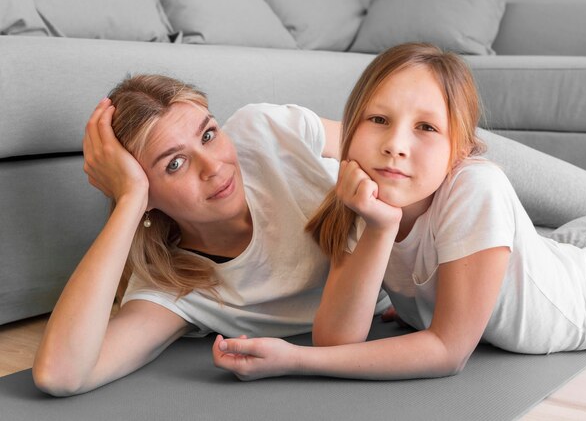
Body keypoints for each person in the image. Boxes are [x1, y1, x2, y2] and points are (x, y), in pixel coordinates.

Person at [213, 43, 586, 381]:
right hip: (563, 248)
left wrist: (294, 360)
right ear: (350, 129)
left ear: (459, 150)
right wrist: (380, 227)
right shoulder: (362, 198)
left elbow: (448, 352)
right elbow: (337, 339)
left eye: (426, 128)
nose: (395, 144)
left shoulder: (475, 187)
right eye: (378, 119)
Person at [32, 74, 390, 396]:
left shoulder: (264, 129)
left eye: (208, 135)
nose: (213, 167)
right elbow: (60, 375)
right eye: (175, 163)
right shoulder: (174, 289)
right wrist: (129, 200)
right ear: (146, 193)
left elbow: (396, 158)